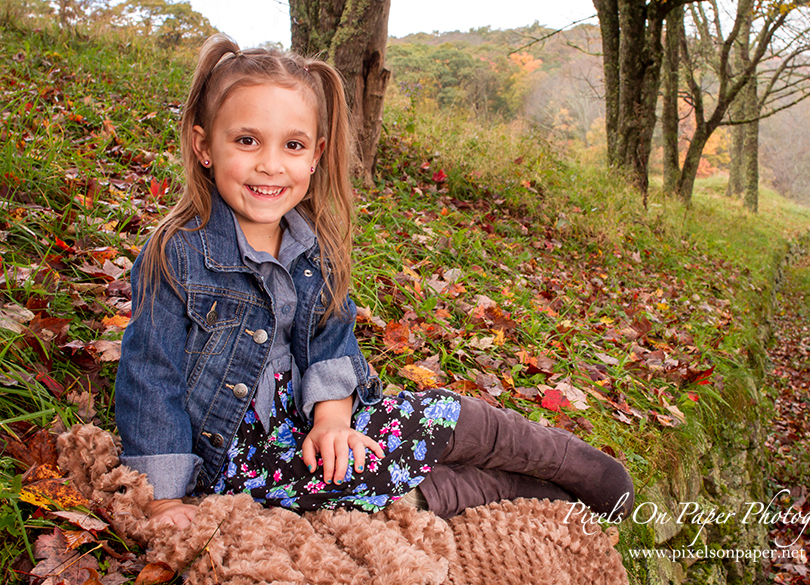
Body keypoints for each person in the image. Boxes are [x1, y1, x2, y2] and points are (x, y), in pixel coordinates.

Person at [115, 33, 634, 530]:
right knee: (357, 478)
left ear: (316, 156)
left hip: (309, 421)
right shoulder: (177, 255)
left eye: (292, 145)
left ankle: (565, 461)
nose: (271, 165)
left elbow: (330, 344)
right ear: (204, 146)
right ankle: (525, 493)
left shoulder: (314, 248)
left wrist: (334, 422)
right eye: (247, 140)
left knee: (415, 418)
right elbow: (150, 377)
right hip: (234, 452)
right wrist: (163, 499)